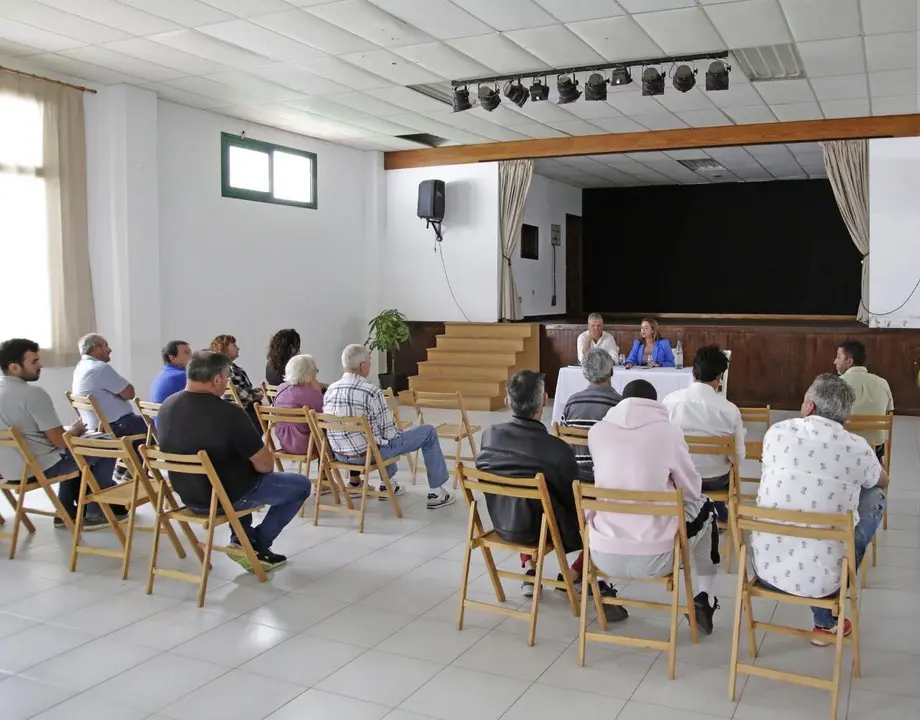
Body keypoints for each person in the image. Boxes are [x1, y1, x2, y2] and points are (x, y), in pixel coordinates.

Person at [752, 373, 887, 645]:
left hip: (765, 569)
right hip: (824, 582)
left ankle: (826, 618)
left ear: (810, 407)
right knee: (875, 493)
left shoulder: (777, 432)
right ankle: (826, 617)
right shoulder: (858, 447)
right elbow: (883, 480)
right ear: (845, 417)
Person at [475, 370, 623, 614]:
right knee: (601, 514)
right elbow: (572, 505)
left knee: (520, 494)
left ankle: (529, 567)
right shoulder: (557, 450)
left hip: (501, 523)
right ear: (544, 401)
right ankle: (573, 574)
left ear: (507, 402)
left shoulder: (489, 437)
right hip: (543, 531)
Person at [157, 351, 311, 572]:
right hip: (225, 497)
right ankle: (256, 544)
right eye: (227, 376)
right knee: (300, 485)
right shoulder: (228, 412)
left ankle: (242, 541)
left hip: (188, 495)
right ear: (217, 379)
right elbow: (265, 465)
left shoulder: (166, 406)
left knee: (237, 470)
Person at [588, 379, 721, 634]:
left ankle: (602, 585)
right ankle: (706, 597)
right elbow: (692, 491)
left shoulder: (597, 431)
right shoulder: (669, 432)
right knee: (708, 509)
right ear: (655, 404)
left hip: (601, 552)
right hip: (656, 557)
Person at [0, 338, 121, 530]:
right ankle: (94, 512)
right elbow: (59, 441)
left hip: (7, 470)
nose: (40, 366)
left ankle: (64, 510)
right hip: (39, 467)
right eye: (34, 362)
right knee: (107, 448)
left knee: (82, 450)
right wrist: (74, 431)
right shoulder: (32, 394)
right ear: (14, 367)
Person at [323, 344, 454, 509]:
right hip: (368, 455)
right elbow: (389, 435)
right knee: (427, 432)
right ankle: (437, 492)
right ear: (363, 367)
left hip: (339, 455)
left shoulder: (330, 390)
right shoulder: (372, 391)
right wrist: (400, 433)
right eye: (370, 363)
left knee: (377, 436)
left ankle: (389, 483)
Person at [663, 345, 744, 522]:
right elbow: (738, 456)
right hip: (714, 479)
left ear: (693, 371)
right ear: (719, 377)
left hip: (679, 478)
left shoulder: (670, 401)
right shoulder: (730, 410)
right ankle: (716, 511)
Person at [560, 348, 622, 482]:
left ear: (585, 373)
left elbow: (563, 441)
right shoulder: (620, 404)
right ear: (611, 371)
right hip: (609, 477)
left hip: (576, 475)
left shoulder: (572, 402)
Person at [72, 333, 147, 438]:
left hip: (95, 427)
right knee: (156, 426)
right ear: (96, 348)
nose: (110, 350)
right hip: (116, 427)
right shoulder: (99, 368)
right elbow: (129, 394)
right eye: (106, 346)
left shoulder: (80, 367)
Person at [835, 340, 894, 458]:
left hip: (846, 450)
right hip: (874, 449)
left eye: (838, 357)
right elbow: (889, 413)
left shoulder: (837, 384)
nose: (834, 361)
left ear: (849, 361)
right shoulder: (882, 383)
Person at [273, 354, 324, 455]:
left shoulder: (281, 388)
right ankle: (323, 470)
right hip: (309, 445)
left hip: (285, 443)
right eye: (315, 371)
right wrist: (319, 391)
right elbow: (323, 417)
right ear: (308, 373)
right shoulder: (311, 394)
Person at [210, 334, 262, 428]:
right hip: (243, 413)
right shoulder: (230, 370)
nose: (238, 348)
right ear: (224, 348)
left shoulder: (218, 368)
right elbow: (245, 395)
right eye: (234, 345)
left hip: (228, 411)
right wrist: (259, 395)